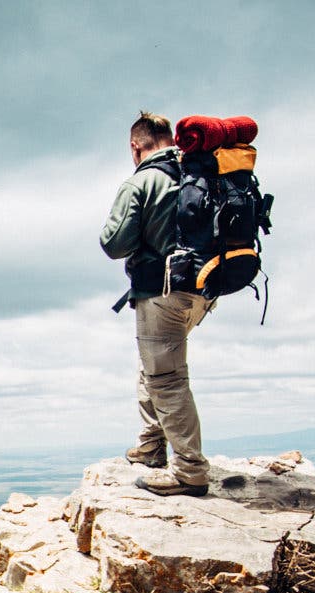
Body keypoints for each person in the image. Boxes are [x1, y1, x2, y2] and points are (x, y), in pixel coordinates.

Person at [100, 111, 215, 497]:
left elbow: (114, 243)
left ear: (136, 146)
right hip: (205, 289)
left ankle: (189, 471)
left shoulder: (142, 181)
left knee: (166, 377)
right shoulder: (200, 171)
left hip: (164, 291)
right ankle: (151, 444)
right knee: (154, 363)